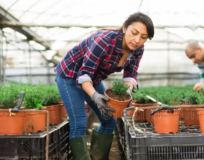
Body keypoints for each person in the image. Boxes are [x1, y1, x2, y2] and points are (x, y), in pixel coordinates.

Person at [54, 12, 154, 160]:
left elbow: (130, 74)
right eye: (134, 33)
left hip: (92, 78)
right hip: (69, 75)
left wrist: (126, 92)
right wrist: (95, 96)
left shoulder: (138, 49)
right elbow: (84, 74)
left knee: (109, 120)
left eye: (144, 37)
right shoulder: (104, 42)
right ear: (125, 27)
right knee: (80, 122)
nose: (137, 40)